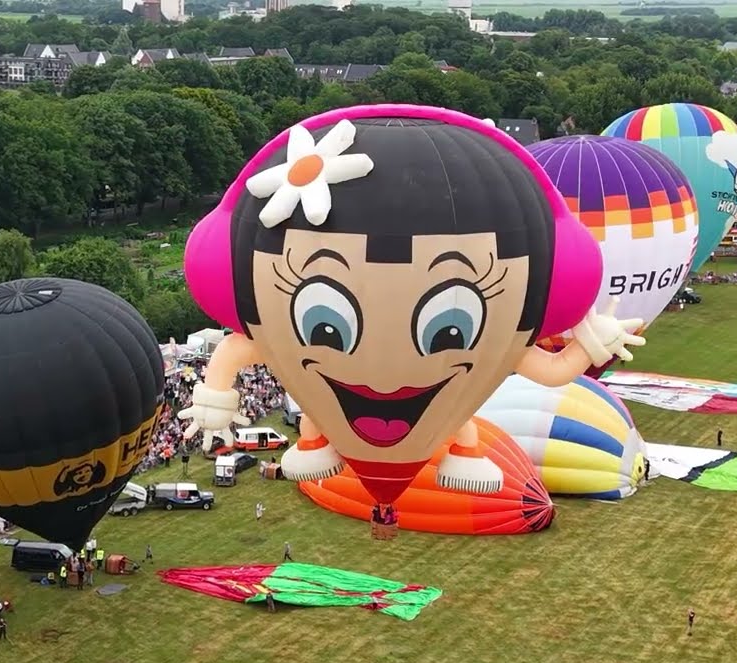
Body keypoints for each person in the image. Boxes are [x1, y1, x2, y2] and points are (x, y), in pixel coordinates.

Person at [174, 108, 643, 505]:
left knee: (452, 412)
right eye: (324, 325)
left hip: (441, 415)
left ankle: (361, 442)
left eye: (451, 329)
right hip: (386, 414)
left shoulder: (510, 323)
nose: (385, 380)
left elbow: (554, 373)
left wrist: (594, 339)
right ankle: (322, 438)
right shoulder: (265, 303)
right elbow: (554, 371)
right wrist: (213, 395)